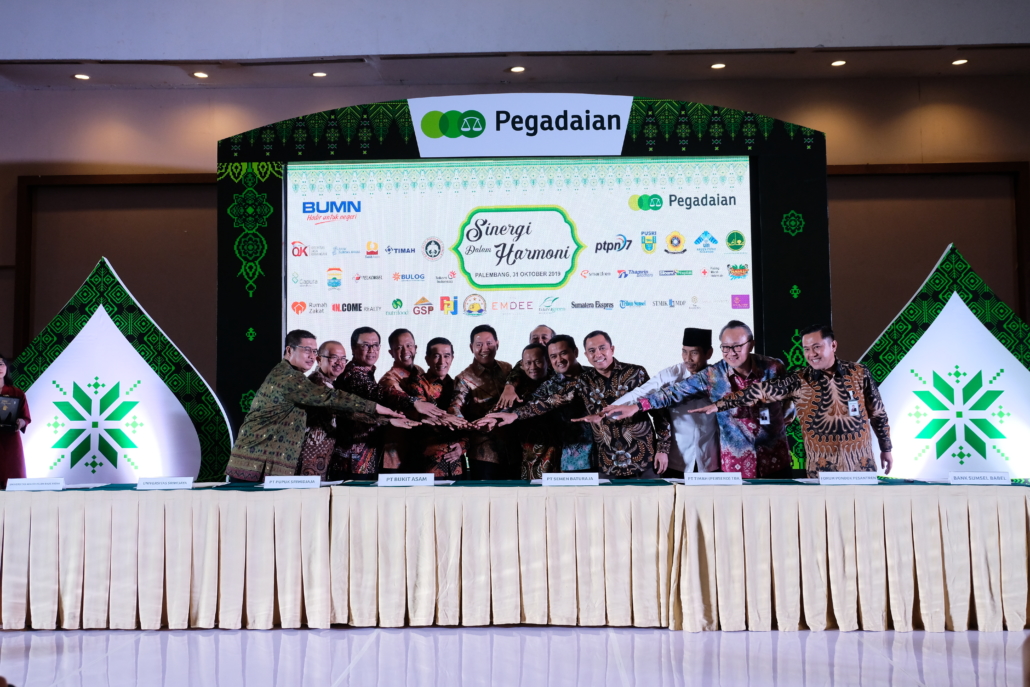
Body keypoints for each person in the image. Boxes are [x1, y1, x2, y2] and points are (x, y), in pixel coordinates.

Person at [690, 325, 893, 476]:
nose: (811, 354)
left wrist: (886, 448)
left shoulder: (859, 373)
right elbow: (758, 391)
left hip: (861, 466)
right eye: (806, 349)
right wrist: (719, 405)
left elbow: (877, 413)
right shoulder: (798, 380)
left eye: (816, 347)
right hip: (821, 471)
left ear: (833, 345)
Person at [603, 320, 792, 479]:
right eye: (726, 347)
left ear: (750, 345)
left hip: (776, 460)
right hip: (736, 466)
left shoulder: (774, 368)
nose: (731, 352)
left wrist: (786, 415)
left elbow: (792, 395)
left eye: (737, 346)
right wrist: (635, 407)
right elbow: (671, 393)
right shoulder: (713, 375)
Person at [225, 330, 415, 482]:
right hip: (255, 465)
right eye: (307, 350)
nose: (311, 355)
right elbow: (335, 400)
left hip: (272, 465)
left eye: (314, 351)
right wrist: (379, 409)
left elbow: (344, 412)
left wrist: (387, 419)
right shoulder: (291, 379)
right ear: (289, 350)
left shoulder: (299, 378)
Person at [479, 331, 671, 479]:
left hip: (644, 459)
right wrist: (514, 414)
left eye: (602, 348)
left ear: (612, 349)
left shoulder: (636, 373)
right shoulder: (584, 381)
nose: (598, 354)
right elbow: (551, 401)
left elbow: (659, 412)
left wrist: (663, 449)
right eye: (592, 351)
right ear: (586, 354)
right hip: (606, 464)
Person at [333, 327, 446, 478]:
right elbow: (379, 392)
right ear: (353, 348)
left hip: (370, 455)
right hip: (354, 459)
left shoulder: (417, 371)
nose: (371, 350)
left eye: (375, 345)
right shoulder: (354, 374)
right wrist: (414, 403)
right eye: (365, 345)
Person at [611, 328, 720, 478]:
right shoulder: (672, 374)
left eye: (694, 353)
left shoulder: (718, 378)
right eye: (684, 352)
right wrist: (609, 410)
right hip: (676, 459)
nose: (687, 358)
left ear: (709, 353)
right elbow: (641, 392)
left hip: (710, 459)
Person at [379, 329, 466, 472]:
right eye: (399, 347)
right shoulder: (388, 380)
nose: (405, 351)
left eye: (409, 345)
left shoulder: (419, 371)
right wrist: (446, 417)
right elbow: (410, 404)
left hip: (422, 445)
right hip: (399, 447)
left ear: (415, 348)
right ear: (391, 352)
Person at [449, 324, 516, 479]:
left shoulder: (507, 369)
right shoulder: (464, 378)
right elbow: (455, 407)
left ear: (497, 344)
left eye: (489, 343)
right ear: (471, 347)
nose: (484, 348)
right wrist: (463, 423)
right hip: (483, 453)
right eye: (479, 344)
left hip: (512, 449)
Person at [297, 340, 349, 479]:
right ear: (319, 360)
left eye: (343, 359)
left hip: (320, 456)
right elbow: (345, 410)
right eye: (334, 358)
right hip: (309, 457)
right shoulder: (317, 384)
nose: (339, 363)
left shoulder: (329, 383)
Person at [508, 343, 557, 479]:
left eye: (538, 362)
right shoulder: (516, 388)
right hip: (528, 453)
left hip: (559, 451)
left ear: (547, 361)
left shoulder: (558, 382)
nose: (533, 367)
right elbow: (503, 409)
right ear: (522, 365)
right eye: (528, 363)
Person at [496, 324, 556, 409]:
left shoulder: (560, 362)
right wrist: (509, 389)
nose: (539, 341)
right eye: (535, 338)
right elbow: (515, 375)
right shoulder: (524, 362)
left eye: (544, 337)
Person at [0, 355, 30, 489]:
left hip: (10, 441)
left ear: (6, 367)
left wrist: (20, 422)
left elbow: (26, 417)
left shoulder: (17, 393)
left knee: (13, 479)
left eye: (1, 364)